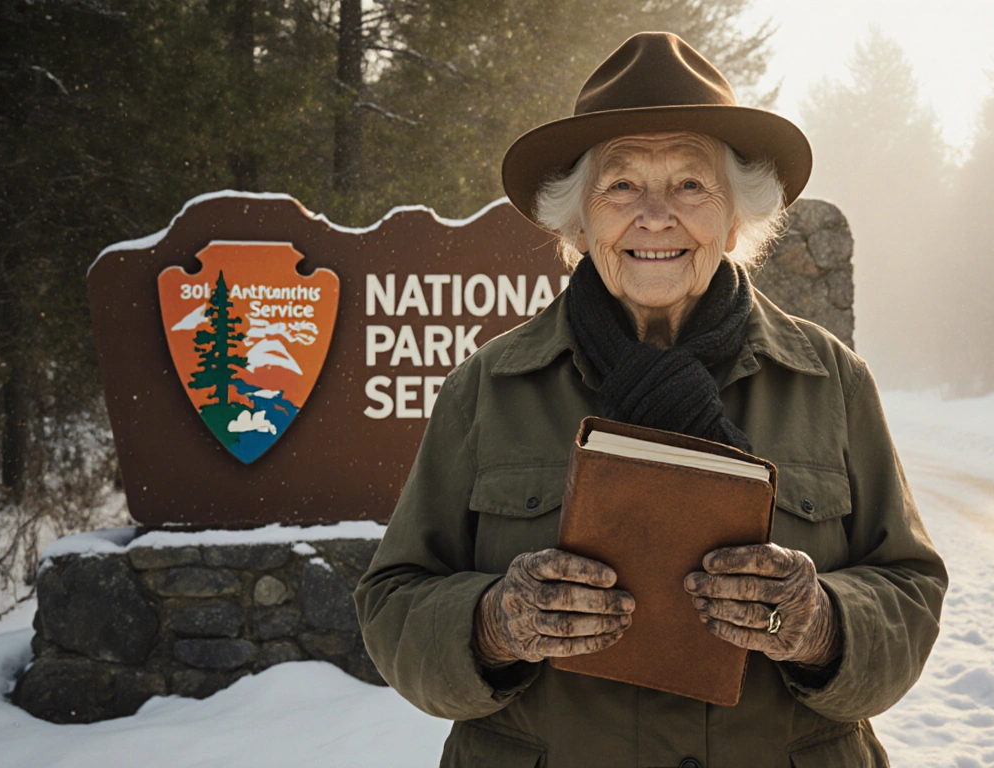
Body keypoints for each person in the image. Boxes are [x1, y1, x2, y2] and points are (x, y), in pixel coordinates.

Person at [354, 31, 948, 768]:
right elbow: (391, 605)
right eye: (622, 185)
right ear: (579, 221)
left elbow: (911, 591)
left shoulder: (830, 382)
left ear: (736, 217)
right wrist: (493, 626)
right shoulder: (487, 388)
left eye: (691, 185)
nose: (656, 216)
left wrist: (822, 623)